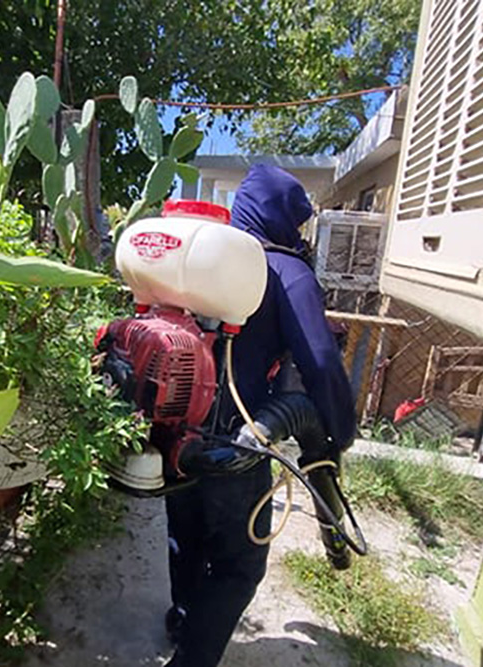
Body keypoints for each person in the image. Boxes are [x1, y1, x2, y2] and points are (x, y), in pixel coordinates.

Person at [164, 164, 356, 667]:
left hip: (169, 432)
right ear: (282, 221)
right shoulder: (286, 271)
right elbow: (319, 363)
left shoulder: (196, 256)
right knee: (238, 565)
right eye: (296, 225)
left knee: (185, 534)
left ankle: (183, 618)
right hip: (238, 437)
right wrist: (339, 431)